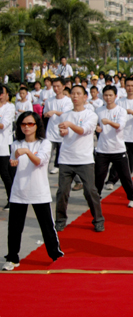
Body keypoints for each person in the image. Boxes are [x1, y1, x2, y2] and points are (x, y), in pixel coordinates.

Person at [2, 112, 64, 270]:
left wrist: (28, 152)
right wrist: (13, 161)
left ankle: (56, 255)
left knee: (47, 226)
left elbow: (40, 162)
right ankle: (12, 257)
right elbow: (13, 161)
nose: (27, 127)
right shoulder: (16, 143)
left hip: (38, 190)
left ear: (37, 126)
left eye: (30, 124)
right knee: (15, 228)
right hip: (19, 191)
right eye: (23, 124)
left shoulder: (44, 143)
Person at [55, 85, 104, 232]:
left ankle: (98, 219)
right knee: (62, 192)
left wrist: (70, 125)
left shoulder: (91, 115)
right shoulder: (65, 115)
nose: (75, 96)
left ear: (84, 97)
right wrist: (63, 132)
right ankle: (60, 220)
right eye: (73, 93)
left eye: (78, 94)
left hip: (84, 159)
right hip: (66, 158)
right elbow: (63, 134)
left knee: (90, 191)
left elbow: (84, 131)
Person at [94, 85, 133, 207]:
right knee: (99, 176)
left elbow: (120, 126)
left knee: (125, 176)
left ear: (115, 96)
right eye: (106, 95)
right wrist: (97, 128)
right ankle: (96, 196)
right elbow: (96, 125)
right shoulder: (98, 110)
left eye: (110, 95)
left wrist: (108, 122)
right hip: (102, 149)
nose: (108, 98)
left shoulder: (121, 110)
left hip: (118, 149)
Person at [43, 78, 73, 175]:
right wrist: (47, 114)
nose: (56, 88)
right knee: (47, 154)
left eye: (58, 86)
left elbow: (66, 114)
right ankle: (43, 173)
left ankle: (74, 178)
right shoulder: (49, 101)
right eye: (54, 86)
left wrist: (55, 112)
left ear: (63, 87)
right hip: (50, 132)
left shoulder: (68, 101)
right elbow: (45, 114)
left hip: (62, 133)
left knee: (63, 156)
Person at [0, 84, 15, 210]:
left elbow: (3, 125)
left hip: (4, 145)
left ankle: (11, 199)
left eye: (2, 93)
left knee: (6, 174)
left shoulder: (9, 107)